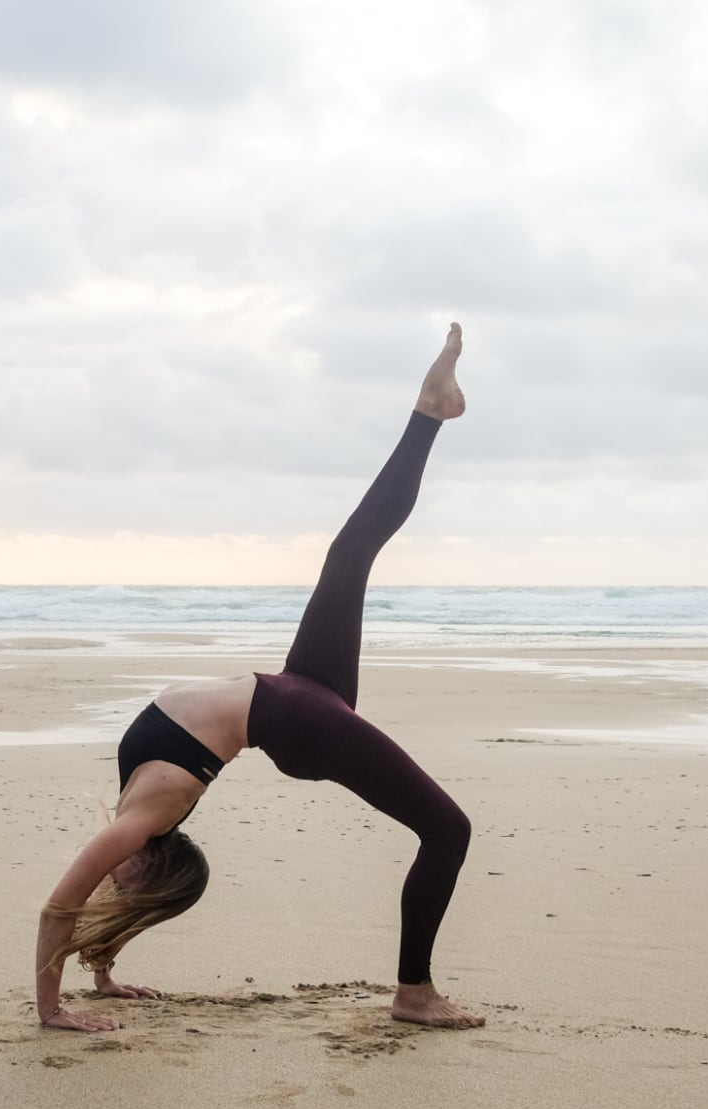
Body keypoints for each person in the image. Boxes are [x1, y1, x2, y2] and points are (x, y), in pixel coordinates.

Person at [36, 323, 484, 1033]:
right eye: (127, 889)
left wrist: (103, 973)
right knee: (448, 830)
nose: (108, 882)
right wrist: (51, 1012)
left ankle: (429, 413)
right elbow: (59, 908)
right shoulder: (148, 819)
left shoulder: (138, 817)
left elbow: (89, 903)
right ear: (152, 866)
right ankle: (413, 992)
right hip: (297, 720)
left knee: (349, 552)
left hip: (297, 692)